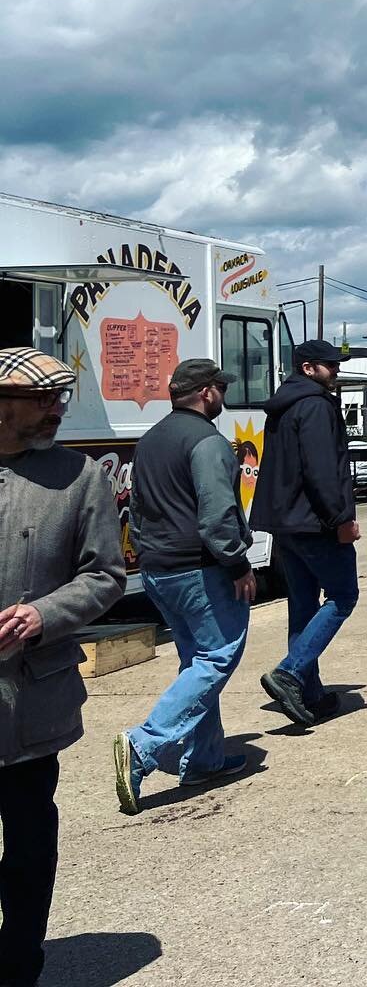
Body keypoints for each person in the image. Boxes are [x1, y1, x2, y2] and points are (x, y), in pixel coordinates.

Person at [0, 348, 125, 987]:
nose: (55, 410)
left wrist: (41, 615)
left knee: (26, 852)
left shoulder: (78, 478)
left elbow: (105, 574)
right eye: (41, 399)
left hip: (30, 704)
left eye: (61, 398)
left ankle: (20, 966)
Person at [114, 358, 257, 814]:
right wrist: (237, 564)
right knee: (216, 658)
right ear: (208, 393)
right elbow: (217, 516)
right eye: (221, 387)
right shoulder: (209, 443)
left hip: (157, 569)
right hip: (201, 569)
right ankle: (144, 743)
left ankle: (204, 760)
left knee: (196, 661)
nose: (223, 395)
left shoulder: (150, 440)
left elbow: (134, 509)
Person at [250, 338, 360, 727]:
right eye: (330, 365)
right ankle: (290, 673)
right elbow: (321, 470)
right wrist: (342, 518)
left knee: (303, 606)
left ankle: (308, 695)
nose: (337, 371)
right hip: (315, 523)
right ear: (308, 368)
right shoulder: (314, 405)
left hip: (285, 524)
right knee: (344, 595)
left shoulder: (283, 405)